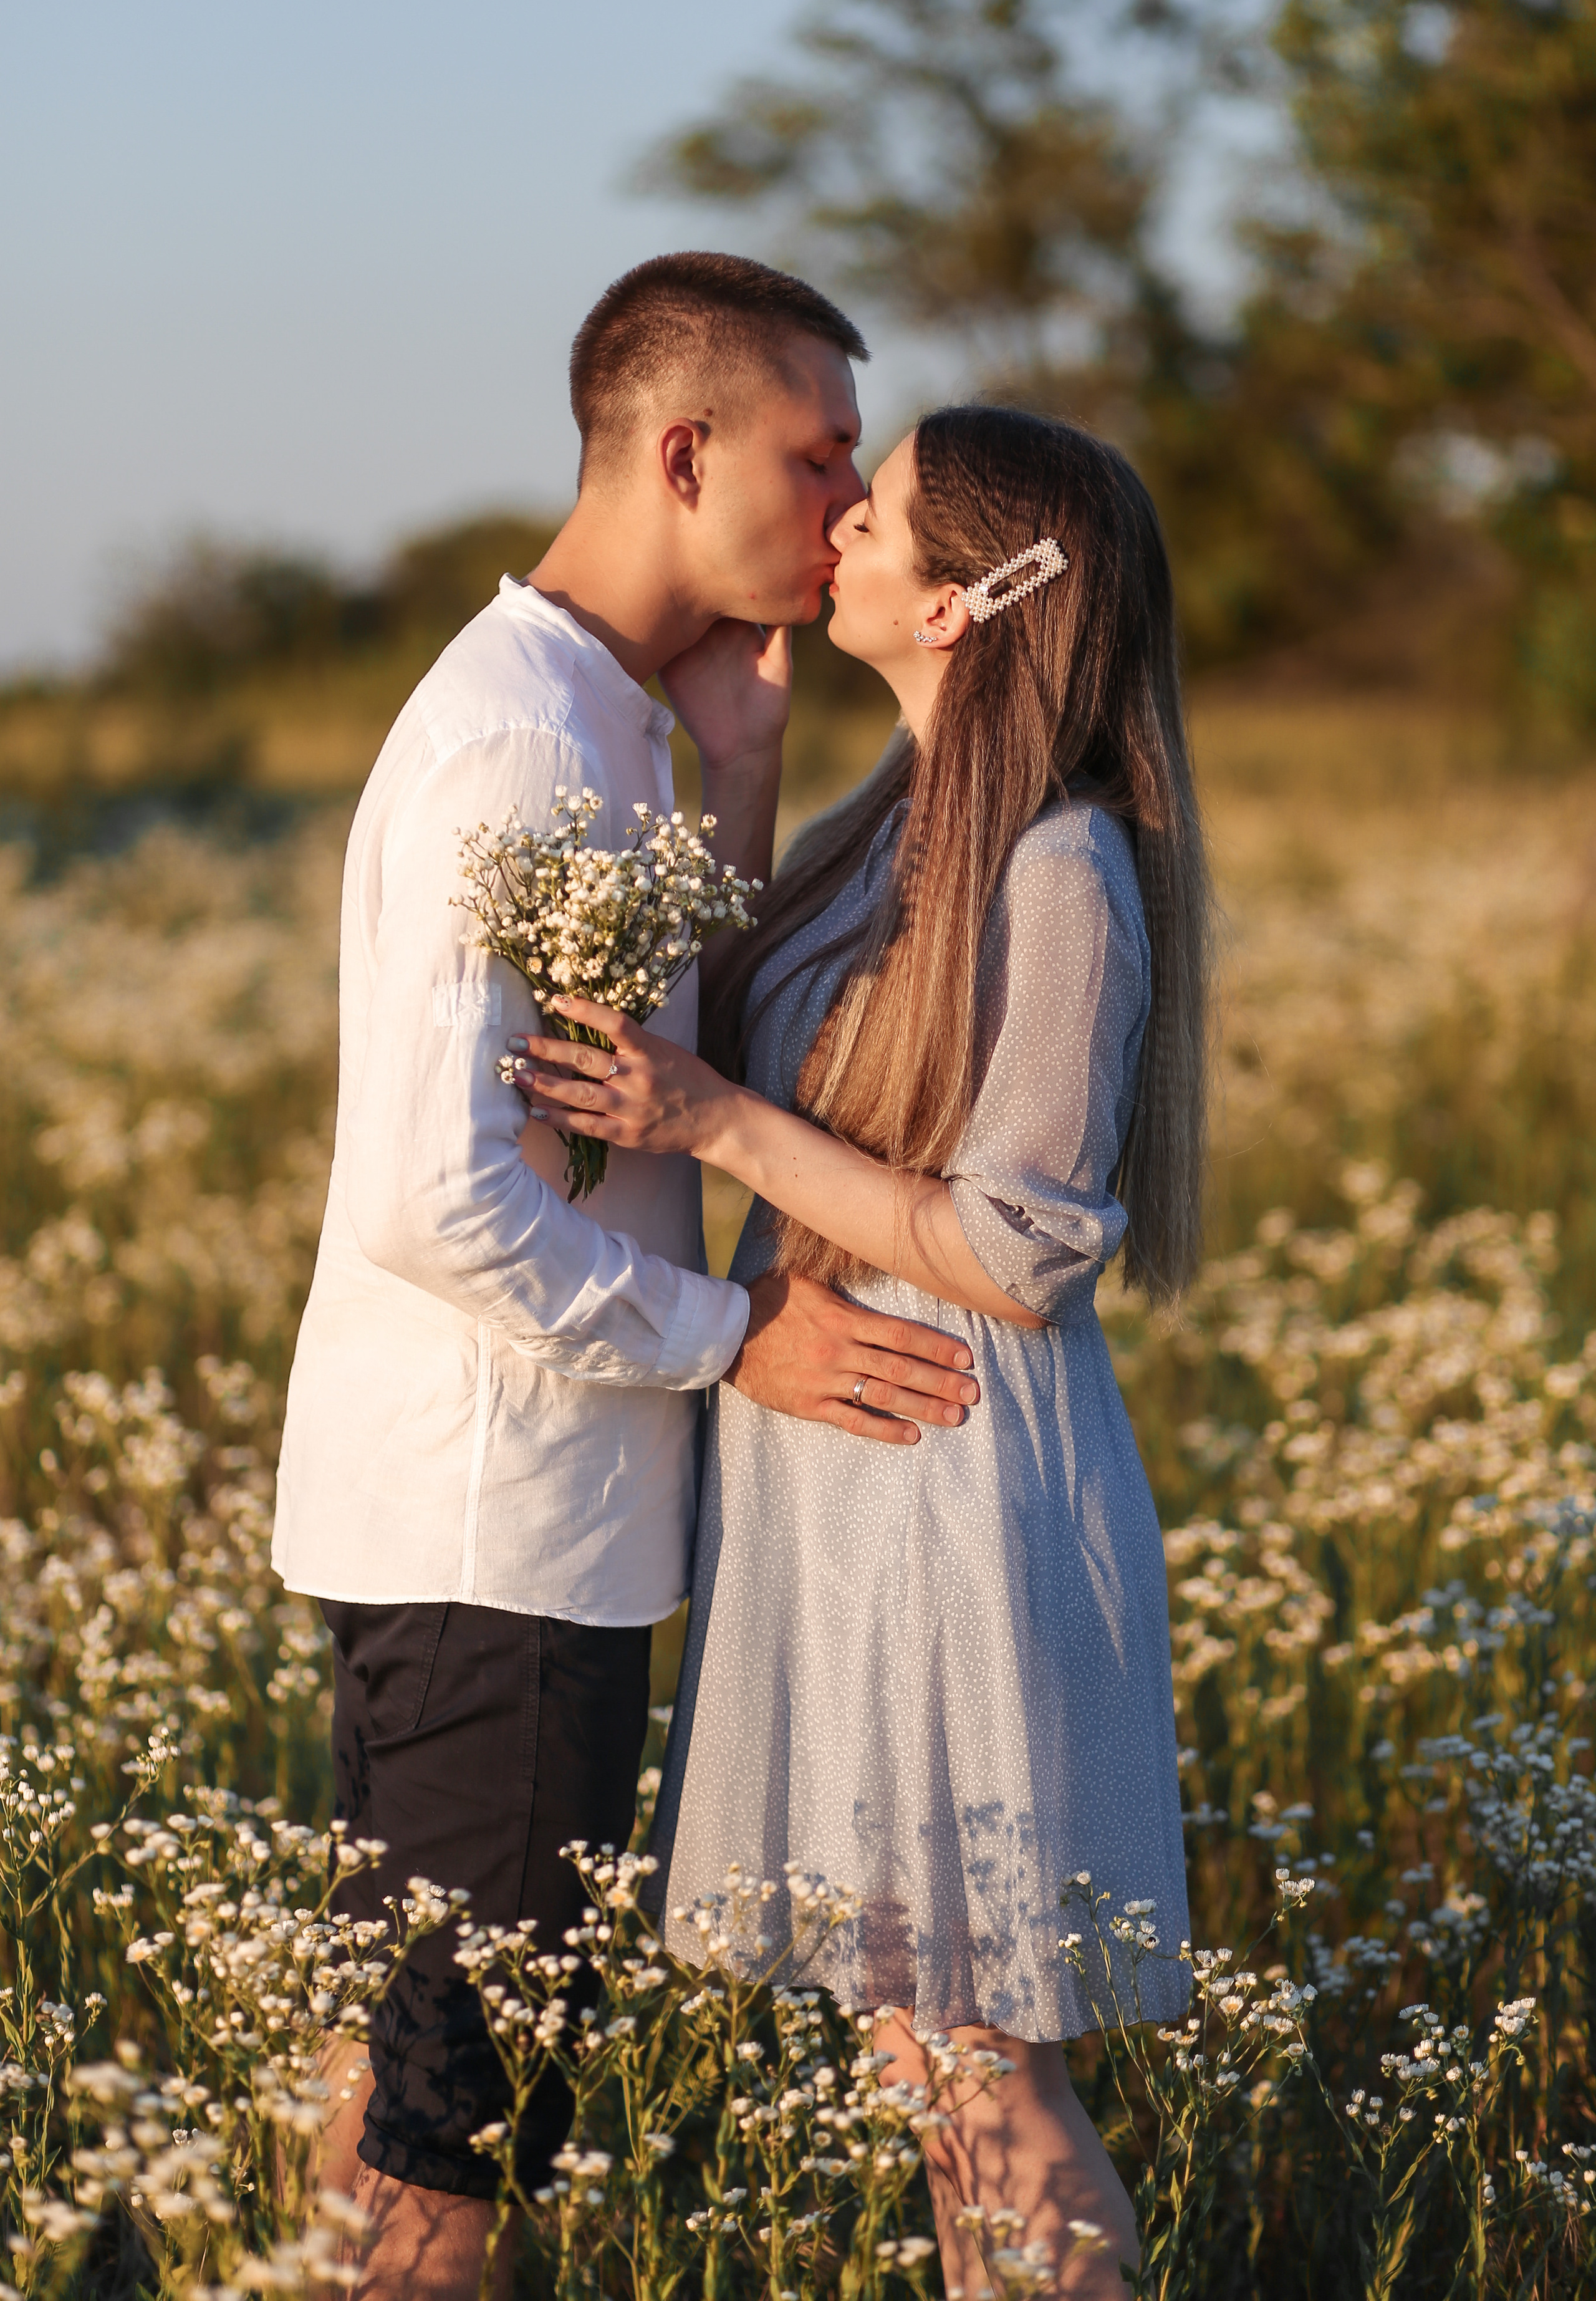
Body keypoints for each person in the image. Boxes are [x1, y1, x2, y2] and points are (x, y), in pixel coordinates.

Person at [271, 254, 985, 2301]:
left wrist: (743, 766)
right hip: (496, 1533)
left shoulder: (602, 714)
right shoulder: (520, 739)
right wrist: (730, 1336)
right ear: (685, 453)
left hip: (507, 1520)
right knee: (453, 2157)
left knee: (407, 2108)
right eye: (819, 453)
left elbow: (640, 1073)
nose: (851, 508)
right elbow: (440, 1195)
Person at [507, 403, 1213, 2299]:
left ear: (974, 599)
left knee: (982, 2055)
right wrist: (735, 760)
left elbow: (1020, 1243)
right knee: (912, 2048)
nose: (836, 534)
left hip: (952, 1462)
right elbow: (744, 1032)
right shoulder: (886, 826)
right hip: (845, 1465)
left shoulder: (1059, 869)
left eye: (878, 513)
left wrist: (716, 1129)